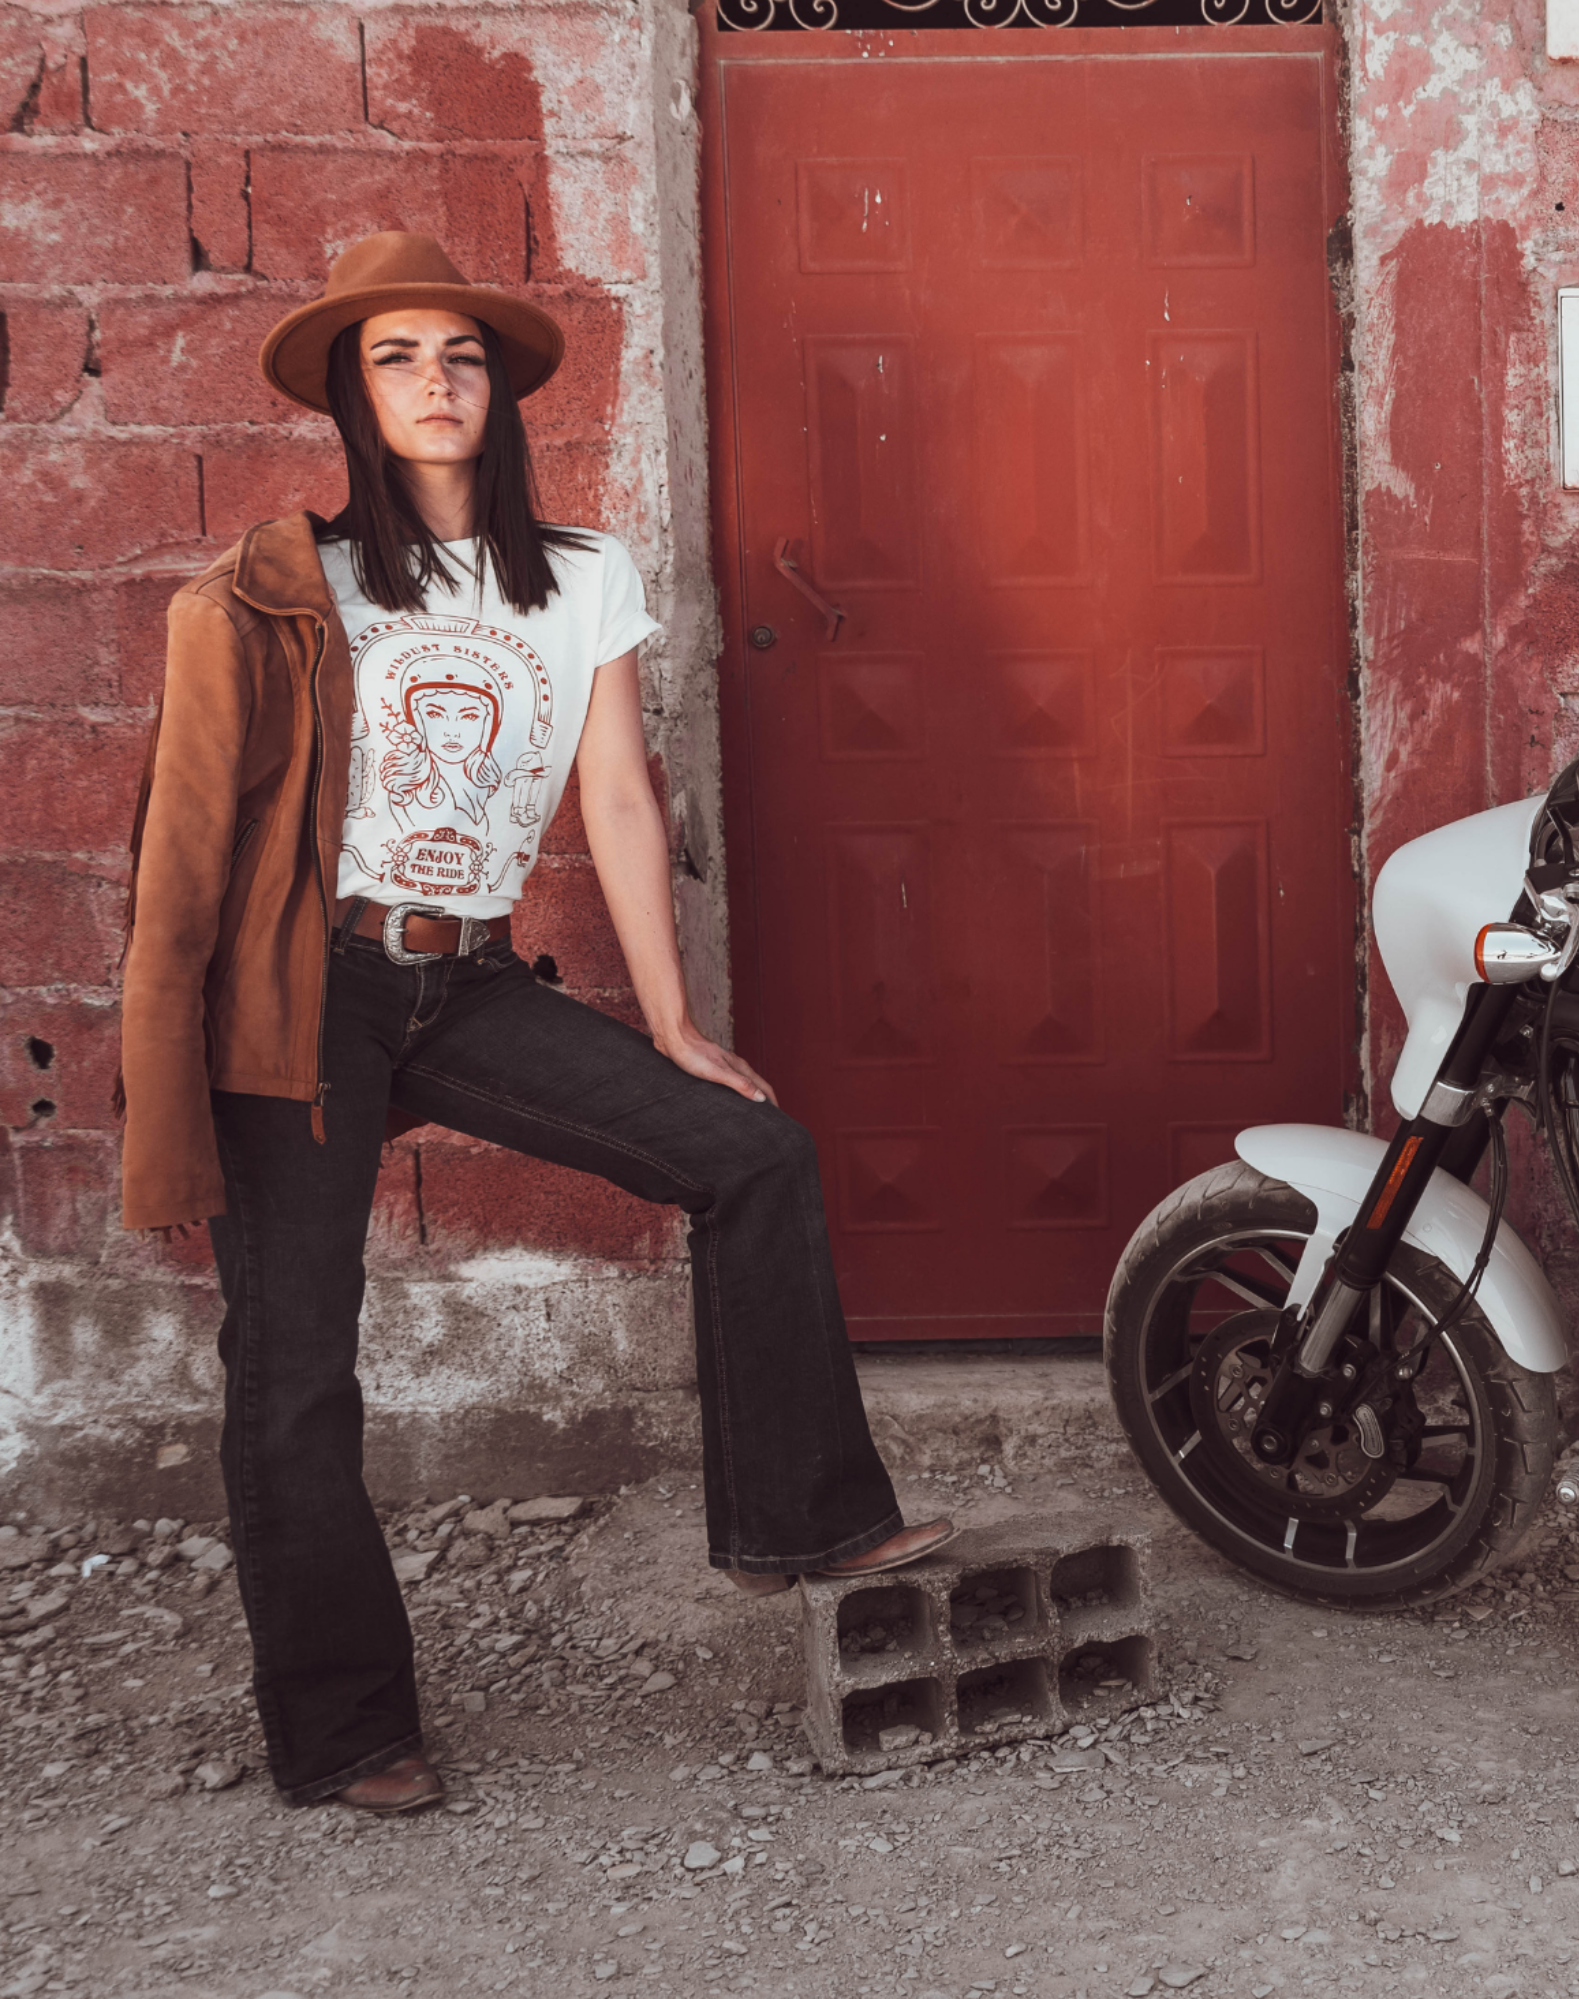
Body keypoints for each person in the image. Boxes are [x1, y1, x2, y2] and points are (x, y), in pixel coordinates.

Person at [116, 231, 952, 1816]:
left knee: (751, 1153)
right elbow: (195, 843)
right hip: (313, 989)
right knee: (294, 1366)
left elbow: (620, 800)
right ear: (355, 401)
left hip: (473, 978)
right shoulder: (298, 582)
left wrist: (675, 1022)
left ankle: (807, 1520)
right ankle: (349, 1730)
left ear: (498, 390)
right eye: (396, 359)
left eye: (460, 356)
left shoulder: (584, 576)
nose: (435, 383)